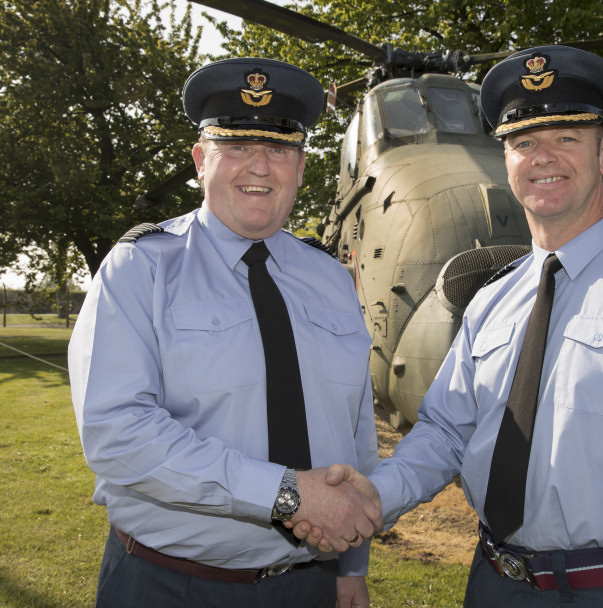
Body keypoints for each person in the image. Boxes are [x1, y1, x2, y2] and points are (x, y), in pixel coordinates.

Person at [296, 46, 603, 607]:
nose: (544, 158)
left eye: (567, 138)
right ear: (508, 161)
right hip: (495, 584)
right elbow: (445, 433)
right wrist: (372, 494)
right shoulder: (492, 300)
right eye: (523, 143)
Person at [68, 57, 381, 608]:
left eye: (280, 149)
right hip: (169, 585)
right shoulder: (141, 267)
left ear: (302, 167)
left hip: (308, 584)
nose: (259, 167)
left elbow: (354, 433)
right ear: (199, 160)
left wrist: (351, 563)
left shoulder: (331, 278)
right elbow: (117, 431)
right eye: (236, 147)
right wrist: (285, 496)